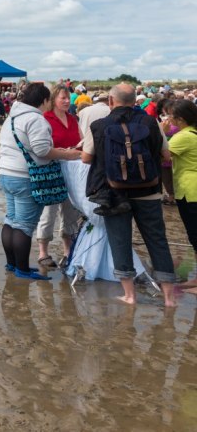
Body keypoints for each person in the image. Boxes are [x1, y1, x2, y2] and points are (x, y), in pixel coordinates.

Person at [82, 83, 176, 306]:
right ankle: (170, 299)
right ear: (135, 101)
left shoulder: (99, 125)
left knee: (120, 241)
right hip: (150, 191)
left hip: (114, 193)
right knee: (157, 240)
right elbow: (166, 155)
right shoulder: (151, 122)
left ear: (111, 102)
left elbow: (86, 158)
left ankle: (130, 295)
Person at [0, 83, 81, 280]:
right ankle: (22, 269)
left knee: (11, 221)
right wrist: (67, 154)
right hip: (26, 177)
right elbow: (42, 150)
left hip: (6, 174)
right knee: (24, 226)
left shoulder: (12, 116)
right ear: (44, 101)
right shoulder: (35, 119)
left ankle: (12, 265)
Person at [35, 86, 81, 269]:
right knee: (49, 212)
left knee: (71, 212)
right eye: (63, 98)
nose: (67, 101)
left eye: (68, 98)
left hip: (72, 170)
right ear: (54, 99)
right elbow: (42, 147)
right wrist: (62, 152)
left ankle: (67, 251)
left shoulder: (72, 118)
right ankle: (43, 252)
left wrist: (76, 150)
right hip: (51, 170)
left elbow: (80, 140)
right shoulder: (45, 119)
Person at [168, 100, 197, 294]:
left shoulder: (184, 136)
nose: (169, 119)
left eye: (171, 116)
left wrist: (160, 132)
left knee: (195, 235)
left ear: (181, 119)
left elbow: (162, 154)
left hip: (190, 189)